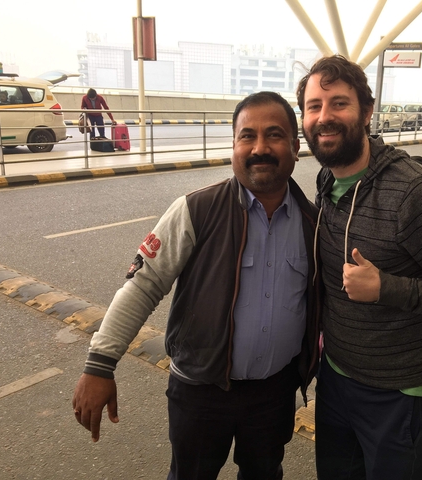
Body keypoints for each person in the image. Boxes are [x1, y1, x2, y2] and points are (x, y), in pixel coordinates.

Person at [72, 91, 320, 480]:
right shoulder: (195, 209)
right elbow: (143, 285)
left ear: (295, 146)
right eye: (246, 136)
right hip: (201, 393)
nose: (259, 148)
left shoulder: (313, 223)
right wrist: (99, 365)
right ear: (233, 145)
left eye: (274, 135)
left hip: (275, 394)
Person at [296, 55, 422, 480]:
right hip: (339, 380)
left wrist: (387, 287)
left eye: (339, 104)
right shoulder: (328, 181)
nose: (324, 117)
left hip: (404, 393)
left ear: (366, 111)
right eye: (314, 106)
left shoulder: (413, 192)